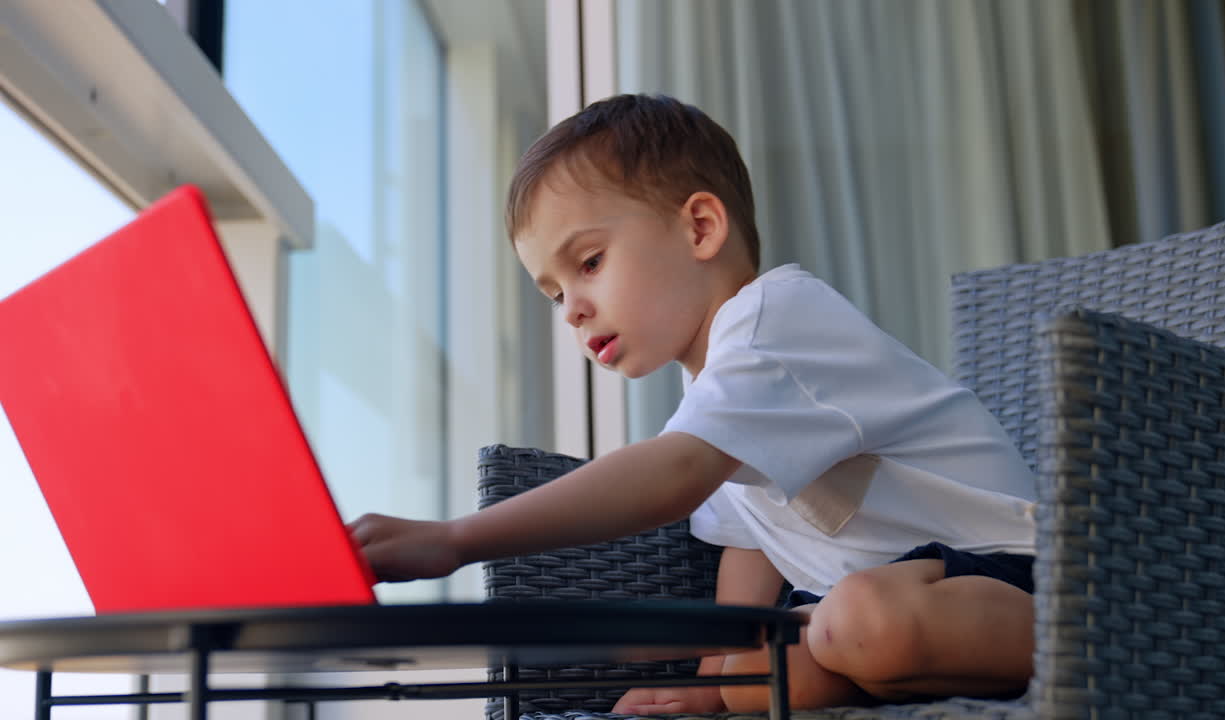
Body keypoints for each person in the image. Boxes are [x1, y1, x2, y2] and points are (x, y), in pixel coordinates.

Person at [347, 93, 1037, 714]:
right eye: (555, 294)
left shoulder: (777, 323)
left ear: (701, 227)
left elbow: (673, 476)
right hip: (862, 606)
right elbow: (750, 541)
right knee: (750, 681)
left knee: (854, 622)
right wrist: (707, 685)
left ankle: (1075, 649)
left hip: (1005, 575)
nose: (574, 311)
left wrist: (454, 539)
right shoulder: (715, 389)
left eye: (588, 263)